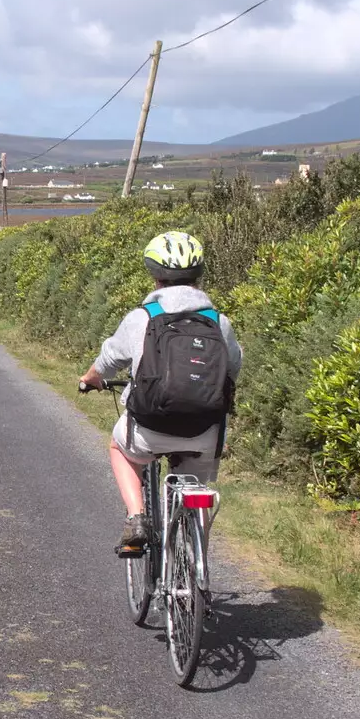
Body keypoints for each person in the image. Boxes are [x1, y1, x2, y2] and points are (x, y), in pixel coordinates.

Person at [78, 231, 242, 555]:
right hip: (205, 433)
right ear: (198, 274)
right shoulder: (219, 323)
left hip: (149, 431)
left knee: (118, 447)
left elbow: (109, 360)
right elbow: (232, 367)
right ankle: (197, 567)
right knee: (197, 490)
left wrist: (90, 378)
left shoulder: (143, 318)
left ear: (154, 275)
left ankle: (136, 517)